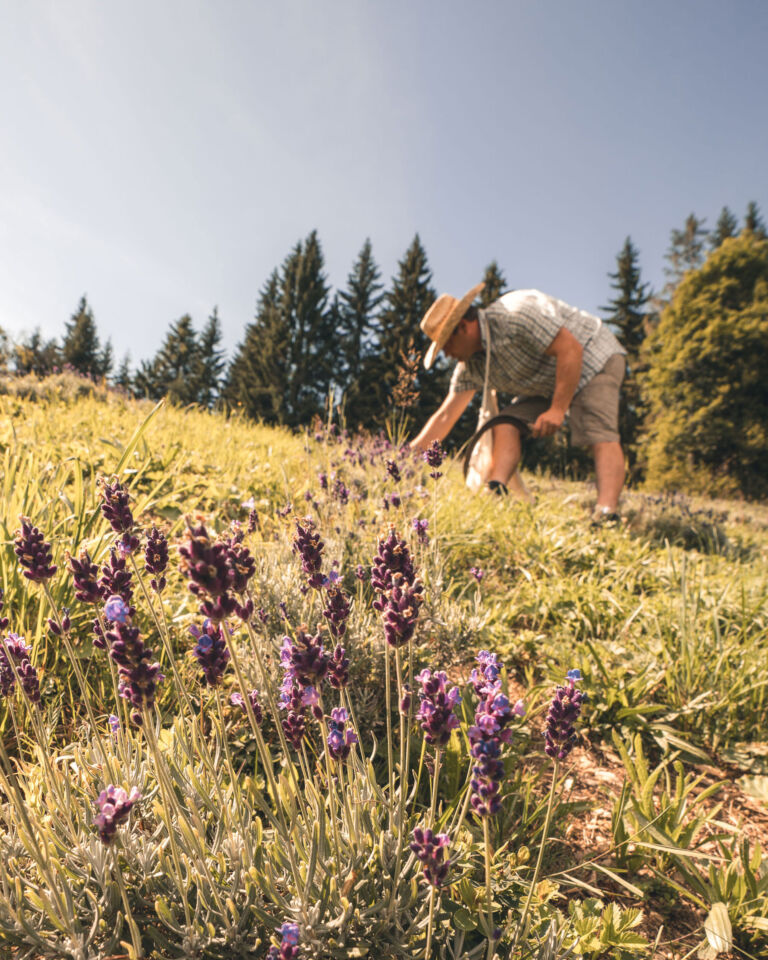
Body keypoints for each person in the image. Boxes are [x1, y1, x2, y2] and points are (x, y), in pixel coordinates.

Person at [411, 282, 627, 519]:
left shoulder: (514, 314)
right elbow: (445, 416)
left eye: (446, 343)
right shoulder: (470, 367)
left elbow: (570, 349)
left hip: (592, 358)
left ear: (463, 327)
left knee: (598, 431)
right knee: (506, 422)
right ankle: (495, 493)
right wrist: (405, 457)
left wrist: (557, 409)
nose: (446, 354)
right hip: (546, 383)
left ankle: (606, 514)